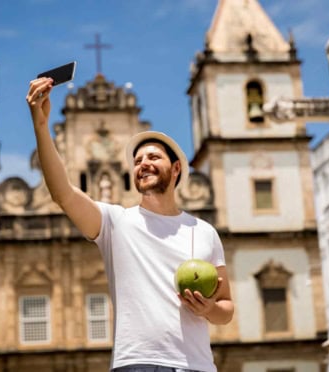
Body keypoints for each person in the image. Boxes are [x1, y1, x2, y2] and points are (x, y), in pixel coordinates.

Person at [26, 77, 234, 372]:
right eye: (137, 161)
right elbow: (63, 193)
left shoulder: (204, 232)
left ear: (176, 169)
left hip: (197, 366)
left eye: (153, 156)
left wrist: (210, 309)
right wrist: (40, 127)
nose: (143, 163)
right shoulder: (117, 223)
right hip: (137, 364)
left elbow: (226, 308)